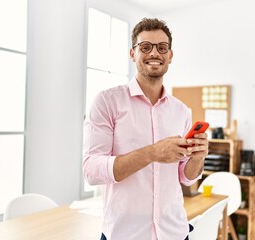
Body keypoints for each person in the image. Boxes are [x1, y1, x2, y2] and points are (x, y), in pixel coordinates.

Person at [83, 18, 209, 240]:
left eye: (162, 47)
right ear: (133, 54)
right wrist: (152, 152)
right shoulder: (107, 101)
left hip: (174, 232)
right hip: (124, 234)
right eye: (145, 47)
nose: (154, 53)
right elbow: (91, 170)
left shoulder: (181, 111)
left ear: (170, 55)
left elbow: (185, 177)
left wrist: (198, 158)